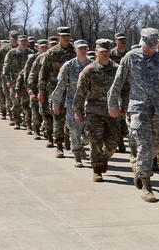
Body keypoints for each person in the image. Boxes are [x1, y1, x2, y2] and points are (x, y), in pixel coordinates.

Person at [107, 27, 159, 202]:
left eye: (150, 45)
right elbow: (118, 82)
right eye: (144, 44)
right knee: (145, 145)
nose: (146, 48)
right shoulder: (132, 57)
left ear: (156, 44)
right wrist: (112, 104)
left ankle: (139, 166)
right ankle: (147, 185)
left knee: (155, 145)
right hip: (138, 108)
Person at [74, 39, 120, 182]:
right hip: (94, 112)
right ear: (96, 52)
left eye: (107, 51)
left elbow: (125, 89)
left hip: (112, 112)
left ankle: (104, 158)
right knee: (96, 142)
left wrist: (123, 106)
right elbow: (80, 93)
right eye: (102, 51)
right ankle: (96, 169)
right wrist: (78, 111)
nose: (105, 54)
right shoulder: (89, 70)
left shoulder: (117, 69)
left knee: (113, 144)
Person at [51, 40, 93, 167]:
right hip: (72, 102)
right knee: (74, 128)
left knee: (88, 131)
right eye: (80, 48)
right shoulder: (68, 66)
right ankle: (77, 156)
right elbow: (61, 86)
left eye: (85, 48)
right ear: (75, 49)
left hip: (89, 102)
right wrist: (56, 103)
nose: (83, 50)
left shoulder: (92, 65)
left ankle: (82, 144)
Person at [38, 27, 76, 158]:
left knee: (71, 119)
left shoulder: (75, 51)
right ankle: (59, 146)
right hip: (55, 90)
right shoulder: (52, 52)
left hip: (72, 90)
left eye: (68, 35)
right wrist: (41, 91)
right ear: (58, 37)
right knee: (58, 118)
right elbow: (44, 74)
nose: (66, 38)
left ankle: (67, 137)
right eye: (63, 35)